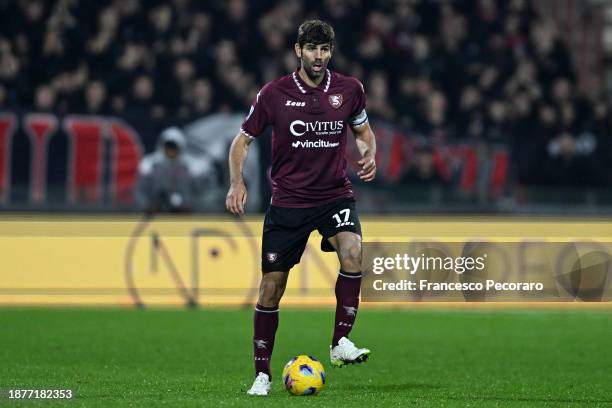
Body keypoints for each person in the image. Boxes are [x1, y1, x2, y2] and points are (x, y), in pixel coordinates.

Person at [225, 20, 377, 396]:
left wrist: (369, 152)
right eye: (312, 49)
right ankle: (262, 374)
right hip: (289, 203)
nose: (319, 57)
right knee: (271, 289)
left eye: (325, 50)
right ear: (298, 50)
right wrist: (237, 182)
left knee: (354, 251)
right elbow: (241, 142)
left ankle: (340, 342)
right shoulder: (273, 94)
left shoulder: (349, 90)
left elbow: (362, 131)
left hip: (334, 195)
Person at [136, 127, 207, 213]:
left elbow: (201, 192)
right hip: (156, 214)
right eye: (168, 147)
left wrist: (192, 205)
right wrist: (148, 206)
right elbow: (140, 191)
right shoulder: (150, 165)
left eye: (174, 147)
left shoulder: (191, 166)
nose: (171, 150)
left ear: (181, 147)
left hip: (186, 214)